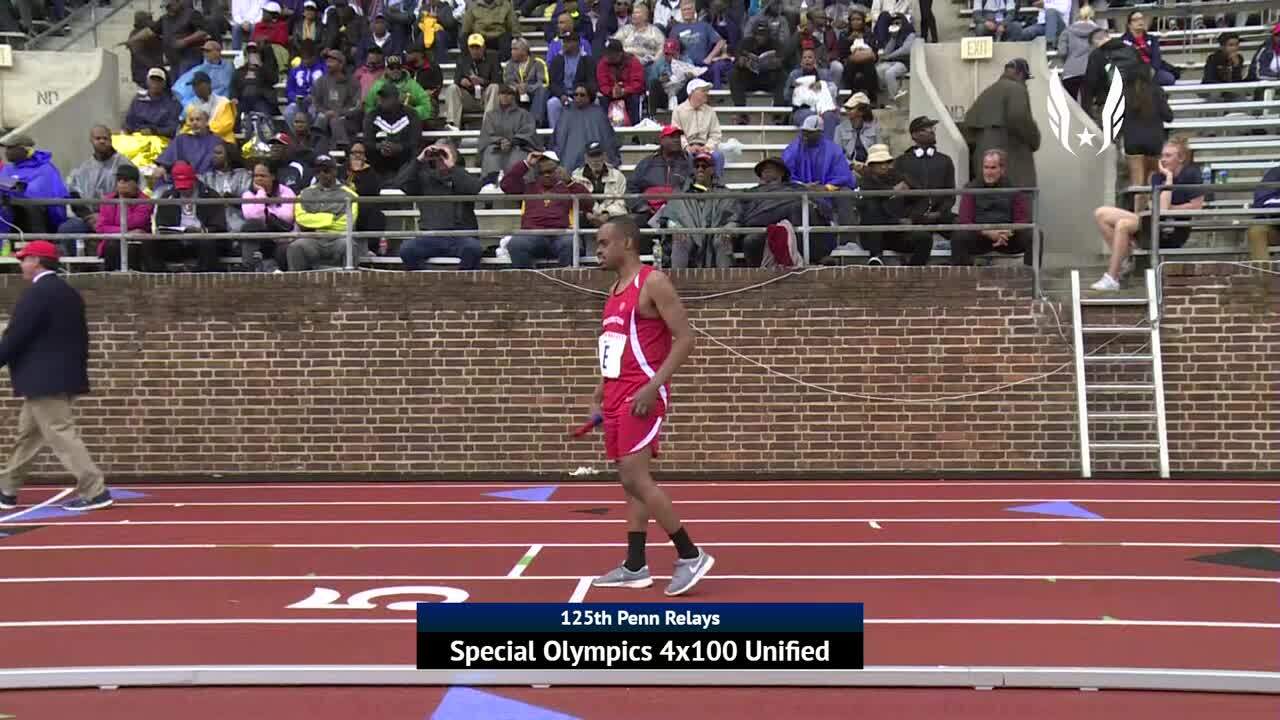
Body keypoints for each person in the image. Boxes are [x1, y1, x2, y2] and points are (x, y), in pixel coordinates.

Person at [588, 216, 713, 597]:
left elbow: (686, 338)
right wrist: (600, 390)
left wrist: (652, 386)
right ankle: (635, 564)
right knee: (631, 485)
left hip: (642, 394)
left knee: (634, 478)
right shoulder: (613, 290)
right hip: (616, 392)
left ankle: (690, 554)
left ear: (626, 242)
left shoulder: (652, 282)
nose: (598, 250)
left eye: (604, 242)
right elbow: (618, 345)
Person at [0, 240, 114, 513]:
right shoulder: (67, 292)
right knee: (28, 435)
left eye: (24, 259)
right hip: (59, 375)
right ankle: (7, 489)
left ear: (37, 261)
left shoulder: (38, 293)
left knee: (60, 434)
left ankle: (94, 490)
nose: (21, 264)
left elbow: (16, 335)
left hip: (42, 377)